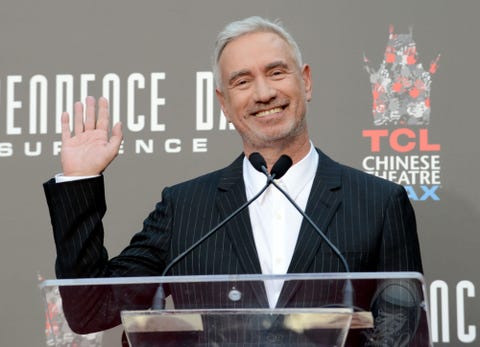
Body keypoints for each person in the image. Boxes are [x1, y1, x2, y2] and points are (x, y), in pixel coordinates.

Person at [44, 16, 424, 346]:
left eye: (276, 72)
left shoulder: (379, 202)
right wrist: (81, 178)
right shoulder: (185, 207)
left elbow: (401, 331)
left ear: (305, 81)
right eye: (242, 82)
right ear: (224, 103)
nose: (263, 93)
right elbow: (90, 310)